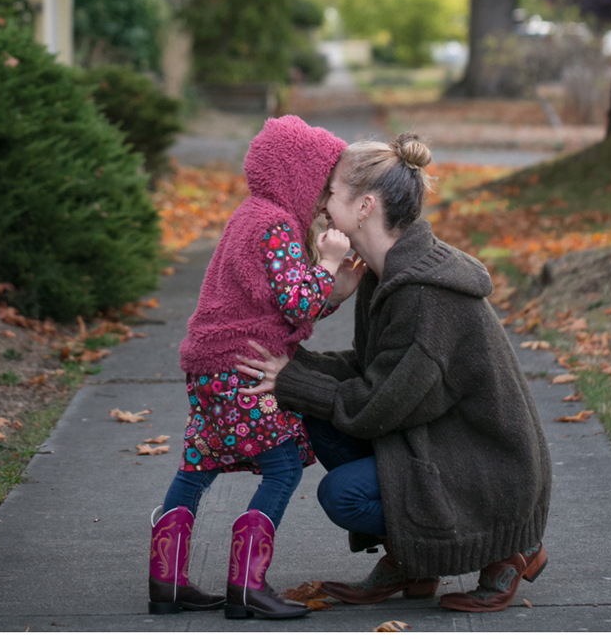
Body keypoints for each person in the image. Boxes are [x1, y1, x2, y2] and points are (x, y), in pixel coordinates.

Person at [237, 133, 552, 614]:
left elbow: (375, 404)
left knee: (343, 495)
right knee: (318, 414)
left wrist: (291, 380)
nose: (320, 205)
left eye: (330, 192)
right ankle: (415, 560)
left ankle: (507, 550)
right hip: (438, 437)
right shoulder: (387, 273)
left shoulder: (425, 295)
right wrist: (288, 364)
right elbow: (372, 369)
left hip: (488, 471)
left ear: (365, 206)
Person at [148, 114, 364, 620]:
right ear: (298, 176)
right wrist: (329, 264)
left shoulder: (250, 215)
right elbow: (296, 302)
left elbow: (279, 306)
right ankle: (247, 586)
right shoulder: (277, 225)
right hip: (242, 368)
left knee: (198, 463)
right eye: (323, 186)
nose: (323, 201)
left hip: (210, 366)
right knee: (282, 467)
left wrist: (333, 296)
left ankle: (166, 582)